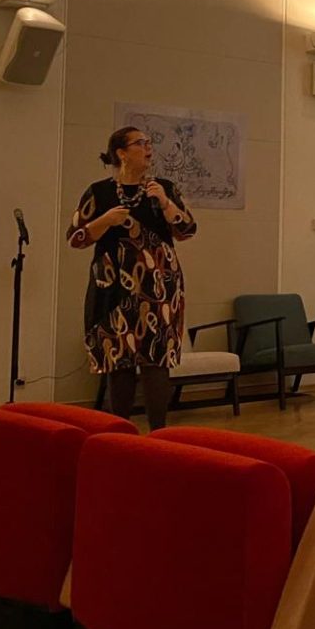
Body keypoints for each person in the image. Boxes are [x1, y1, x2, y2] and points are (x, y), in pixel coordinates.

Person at [68, 126, 197, 429]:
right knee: (119, 360)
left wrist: (165, 203)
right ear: (121, 153)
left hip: (159, 288)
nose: (148, 147)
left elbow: (188, 229)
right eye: (140, 143)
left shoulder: (162, 188)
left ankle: (158, 434)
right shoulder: (99, 192)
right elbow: (75, 238)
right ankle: (120, 435)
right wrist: (105, 220)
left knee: (156, 358)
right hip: (113, 288)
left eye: (149, 142)